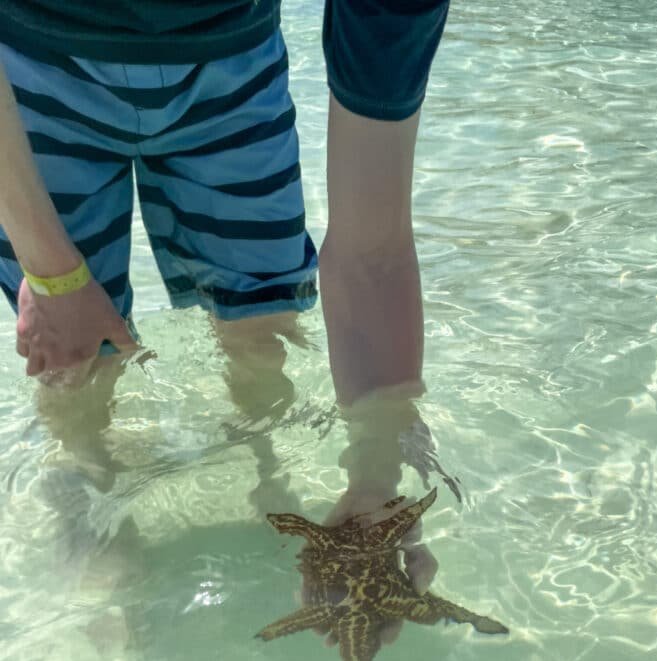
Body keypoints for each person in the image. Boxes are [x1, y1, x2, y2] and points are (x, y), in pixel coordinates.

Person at [0, 0, 450, 602]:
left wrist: (379, 474)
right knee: (75, 352)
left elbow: (374, 251)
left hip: (232, 59)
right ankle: (88, 482)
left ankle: (268, 465)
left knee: (263, 320)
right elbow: (58, 306)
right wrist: (51, 275)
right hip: (29, 56)